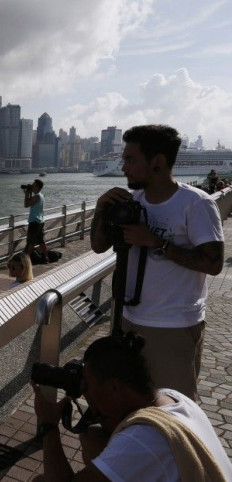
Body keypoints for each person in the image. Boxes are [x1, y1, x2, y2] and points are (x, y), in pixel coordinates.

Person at [90, 125, 224, 400]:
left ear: (158, 163)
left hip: (173, 326)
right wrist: (100, 209)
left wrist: (156, 242)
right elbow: (98, 245)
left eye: (130, 159)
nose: (123, 166)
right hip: (129, 318)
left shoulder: (196, 203)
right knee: (133, 402)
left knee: (173, 408)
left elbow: (214, 264)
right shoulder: (132, 201)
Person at [31, 332, 232, 481]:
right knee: (92, 437)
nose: (87, 395)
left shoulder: (141, 440)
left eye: (88, 386)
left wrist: (49, 426)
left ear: (113, 386)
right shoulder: (173, 397)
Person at [24, 179, 49, 263]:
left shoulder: (37, 196)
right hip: (40, 221)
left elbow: (26, 205)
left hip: (34, 222)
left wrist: (26, 195)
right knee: (41, 241)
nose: (32, 186)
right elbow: (32, 202)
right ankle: (46, 257)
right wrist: (29, 194)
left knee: (31, 242)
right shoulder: (40, 196)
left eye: (33, 185)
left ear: (37, 187)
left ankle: (26, 261)